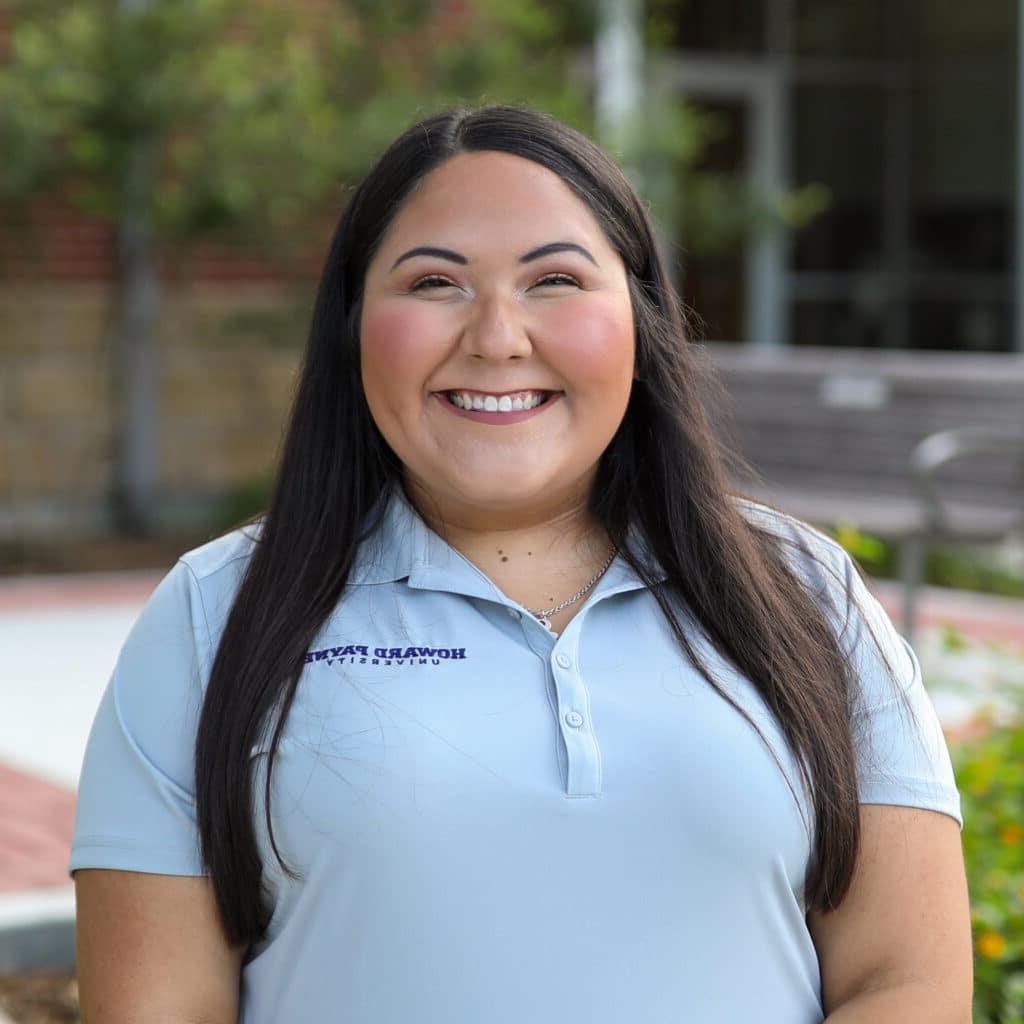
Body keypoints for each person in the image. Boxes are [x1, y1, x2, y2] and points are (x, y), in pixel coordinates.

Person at [69, 105, 972, 1023]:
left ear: (642, 318)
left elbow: (905, 982)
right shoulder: (215, 614)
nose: (497, 337)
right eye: (434, 283)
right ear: (351, 324)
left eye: (555, 279)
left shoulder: (804, 594)